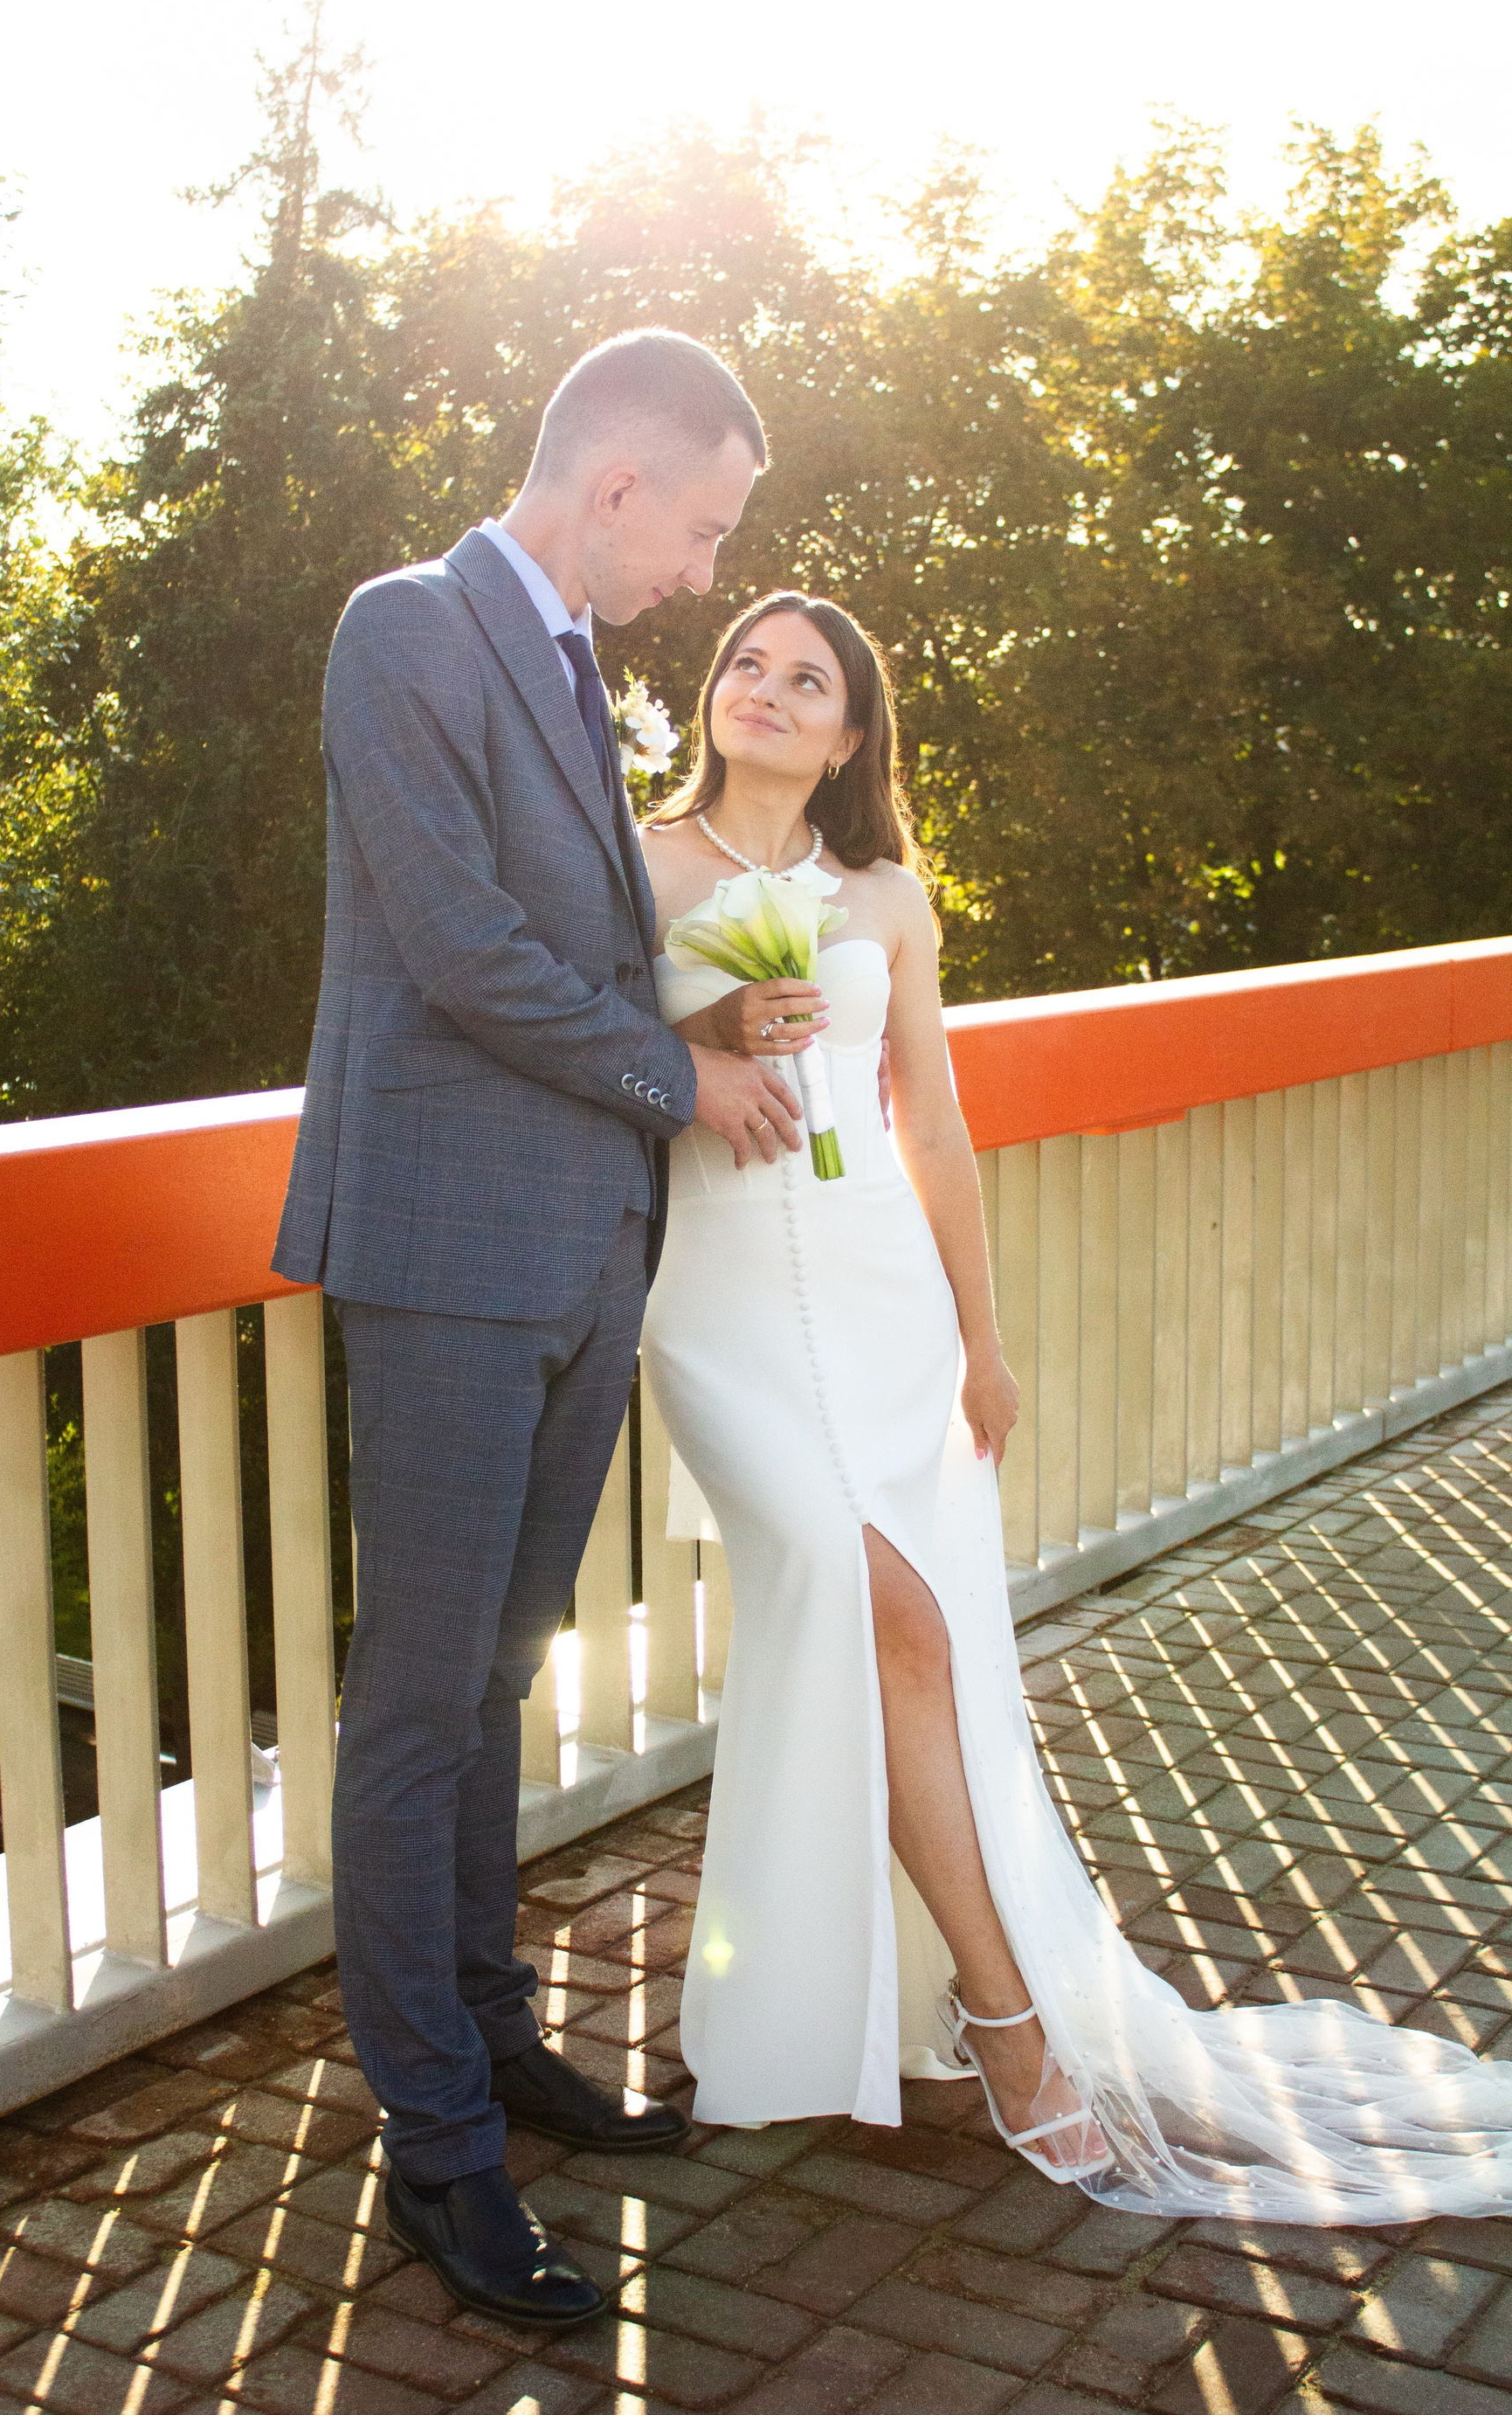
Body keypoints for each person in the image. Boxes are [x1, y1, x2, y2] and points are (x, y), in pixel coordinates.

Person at [638, 588, 1512, 2221]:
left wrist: (983, 1335)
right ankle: (1008, 2024)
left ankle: (939, 2003)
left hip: (888, 1302)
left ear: (848, 734)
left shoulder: (887, 896)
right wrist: (695, 1031)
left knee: (912, 1644)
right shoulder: (636, 866)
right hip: (722, 1312)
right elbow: (579, 1048)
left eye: (807, 678)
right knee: (868, 1602)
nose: (765, 688)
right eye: (745, 663)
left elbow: (931, 1124)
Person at [273, 333, 806, 2327]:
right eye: (704, 528)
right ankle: (436, 2143)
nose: (703, 570)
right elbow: (460, 949)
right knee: (420, 1705)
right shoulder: (403, 628)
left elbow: (575, 948)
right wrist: (681, 1078)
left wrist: (709, 1021)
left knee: (497, 1677)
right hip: (442, 1247)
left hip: (579, 1245)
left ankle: (491, 2039)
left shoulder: (576, 664)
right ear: (614, 485)